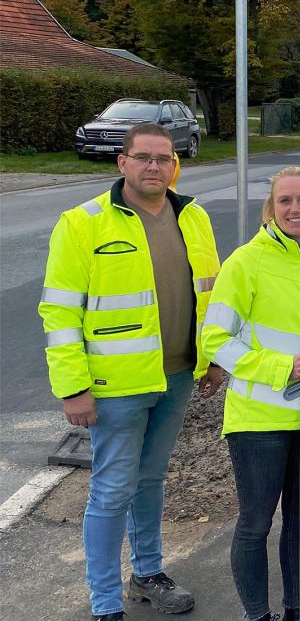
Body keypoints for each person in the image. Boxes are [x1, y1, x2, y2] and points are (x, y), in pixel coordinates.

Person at [40, 122, 222, 621]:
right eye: (143, 157)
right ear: (122, 163)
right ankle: (104, 603)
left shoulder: (194, 216)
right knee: (111, 489)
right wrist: (73, 387)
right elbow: (59, 312)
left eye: (164, 158)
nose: (154, 167)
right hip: (115, 385)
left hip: (179, 375)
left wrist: (213, 360)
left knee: (151, 481)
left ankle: (148, 574)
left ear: (175, 164)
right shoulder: (83, 223)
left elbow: (213, 294)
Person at [202, 167, 300, 621]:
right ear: (271, 209)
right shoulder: (245, 262)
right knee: (255, 525)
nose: (296, 209)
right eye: (286, 201)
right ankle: (258, 615)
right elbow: (214, 339)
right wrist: (281, 367)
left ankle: (297, 611)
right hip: (260, 419)